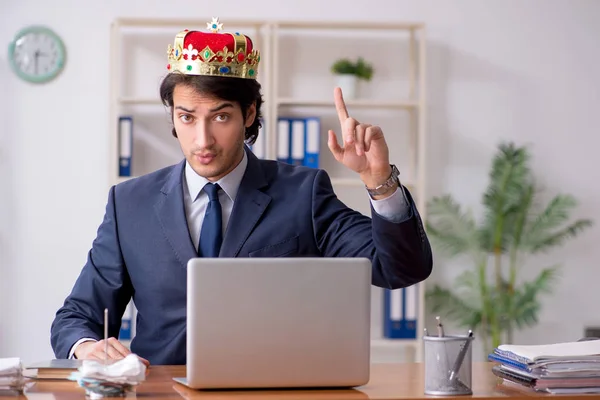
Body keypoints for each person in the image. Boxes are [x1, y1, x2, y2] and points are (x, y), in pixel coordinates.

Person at [50, 18, 433, 366]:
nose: (202, 140)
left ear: (249, 114)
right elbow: (77, 316)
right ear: (172, 116)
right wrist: (86, 345)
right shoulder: (129, 203)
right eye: (186, 117)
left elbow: (399, 268)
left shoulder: (303, 192)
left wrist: (378, 181)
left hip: (272, 389)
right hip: (161, 390)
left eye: (220, 117)